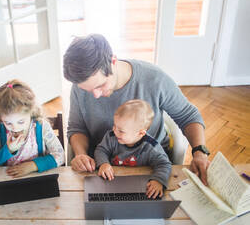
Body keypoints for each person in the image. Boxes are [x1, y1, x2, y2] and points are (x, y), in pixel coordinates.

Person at [63, 34, 210, 185]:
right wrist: (80, 154)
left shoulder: (154, 79)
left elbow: (188, 116)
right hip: (101, 167)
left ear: (113, 62)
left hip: (152, 168)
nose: (96, 95)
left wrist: (199, 152)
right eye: (88, 90)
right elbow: (77, 128)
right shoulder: (79, 86)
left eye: (100, 85)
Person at [0, 79, 65, 177]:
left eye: (21, 122)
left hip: (38, 176)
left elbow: (60, 156)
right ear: (0, 117)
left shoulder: (41, 126)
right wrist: (8, 150)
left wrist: (33, 166)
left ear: (31, 112)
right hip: (8, 178)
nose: (15, 128)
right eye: (8, 123)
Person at [95, 99, 171, 199]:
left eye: (121, 131)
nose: (115, 131)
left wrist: (158, 180)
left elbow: (164, 164)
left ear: (140, 133)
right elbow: (101, 150)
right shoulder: (111, 137)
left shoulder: (151, 146)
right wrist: (103, 163)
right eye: (114, 126)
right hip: (112, 182)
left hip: (141, 186)